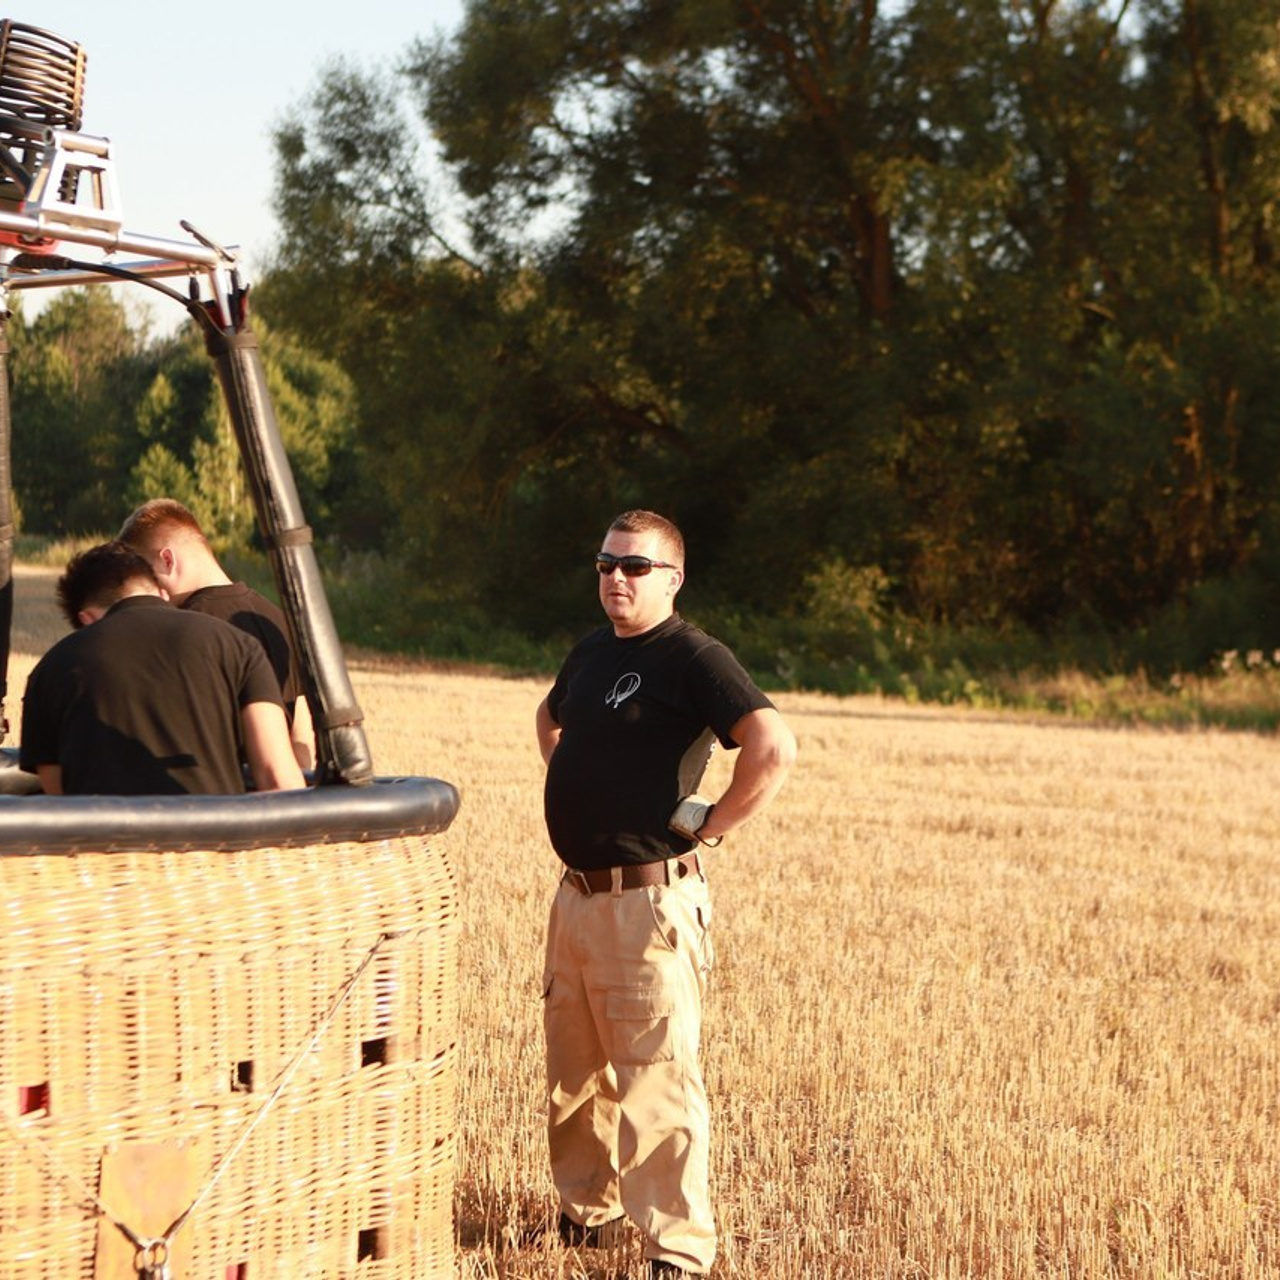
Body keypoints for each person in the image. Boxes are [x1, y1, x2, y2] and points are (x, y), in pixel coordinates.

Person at [534, 509, 797, 1278]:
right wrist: (574, 779)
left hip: (646, 905)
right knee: (574, 1077)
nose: (616, 577)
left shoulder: (694, 658)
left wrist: (713, 823)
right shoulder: (591, 652)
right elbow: (549, 718)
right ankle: (588, 1215)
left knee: (655, 1080)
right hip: (576, 900)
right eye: (606, 564)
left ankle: (676, 1250)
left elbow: (773, 746)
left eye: (635, 566)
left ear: (673, 578)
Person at [20, 541, 306, 796]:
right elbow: (276, 776)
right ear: (161, 592)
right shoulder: (240, 646)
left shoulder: (50, 670)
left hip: (107, 840)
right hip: (213, 837)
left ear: (87, 619)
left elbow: (60, 796)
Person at [118, 498, 315, 771]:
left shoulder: (180, 632)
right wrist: (293, 788)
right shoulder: (278, 619)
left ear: (167, 560)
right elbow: (302, 733)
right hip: (281, 788)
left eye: (145, 579)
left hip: (216, 793)